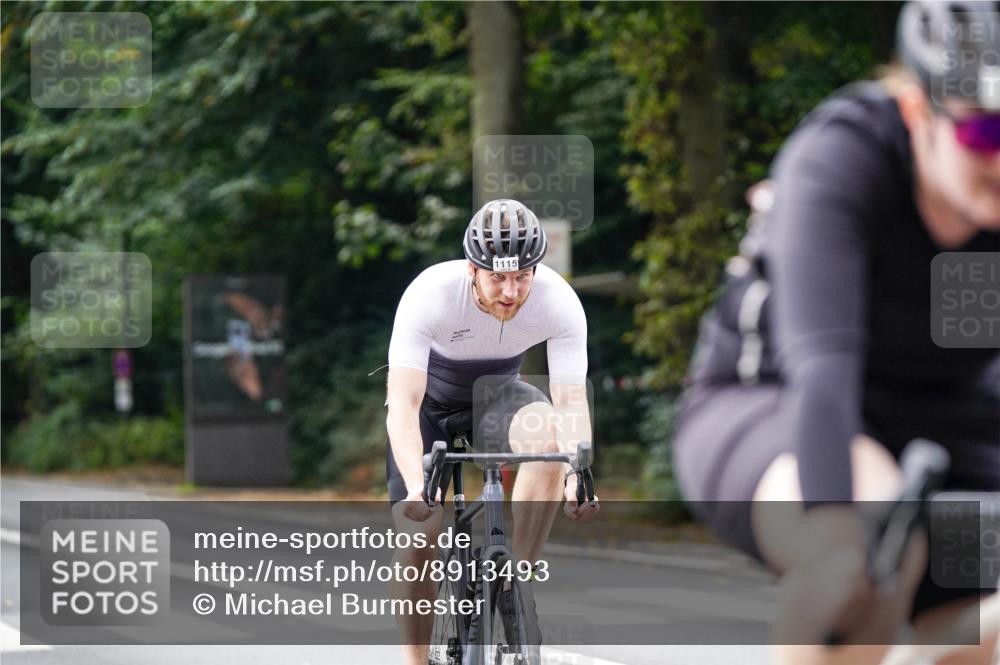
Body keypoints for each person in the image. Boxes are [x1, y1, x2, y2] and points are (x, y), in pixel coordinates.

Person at [672, 2, 1000, 664]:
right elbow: (821, 371)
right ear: (916, 112)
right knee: (864, 550)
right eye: (985, 133)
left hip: (946, 418)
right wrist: (836, 533)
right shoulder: (843, 156)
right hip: (774, 402)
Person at [384, 198, 599, 665]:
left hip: (497, 401)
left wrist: (577, 470)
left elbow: (569, 399)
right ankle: (414, 660)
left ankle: (514, 582)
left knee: (547, 441)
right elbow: (402, 403)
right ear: (472, 269)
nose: (510, 291)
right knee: (421, 536)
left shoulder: (557, 299)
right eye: (497, 277)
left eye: (522, 276)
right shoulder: (431, 294)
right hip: (429, 410)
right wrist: (418, 486)